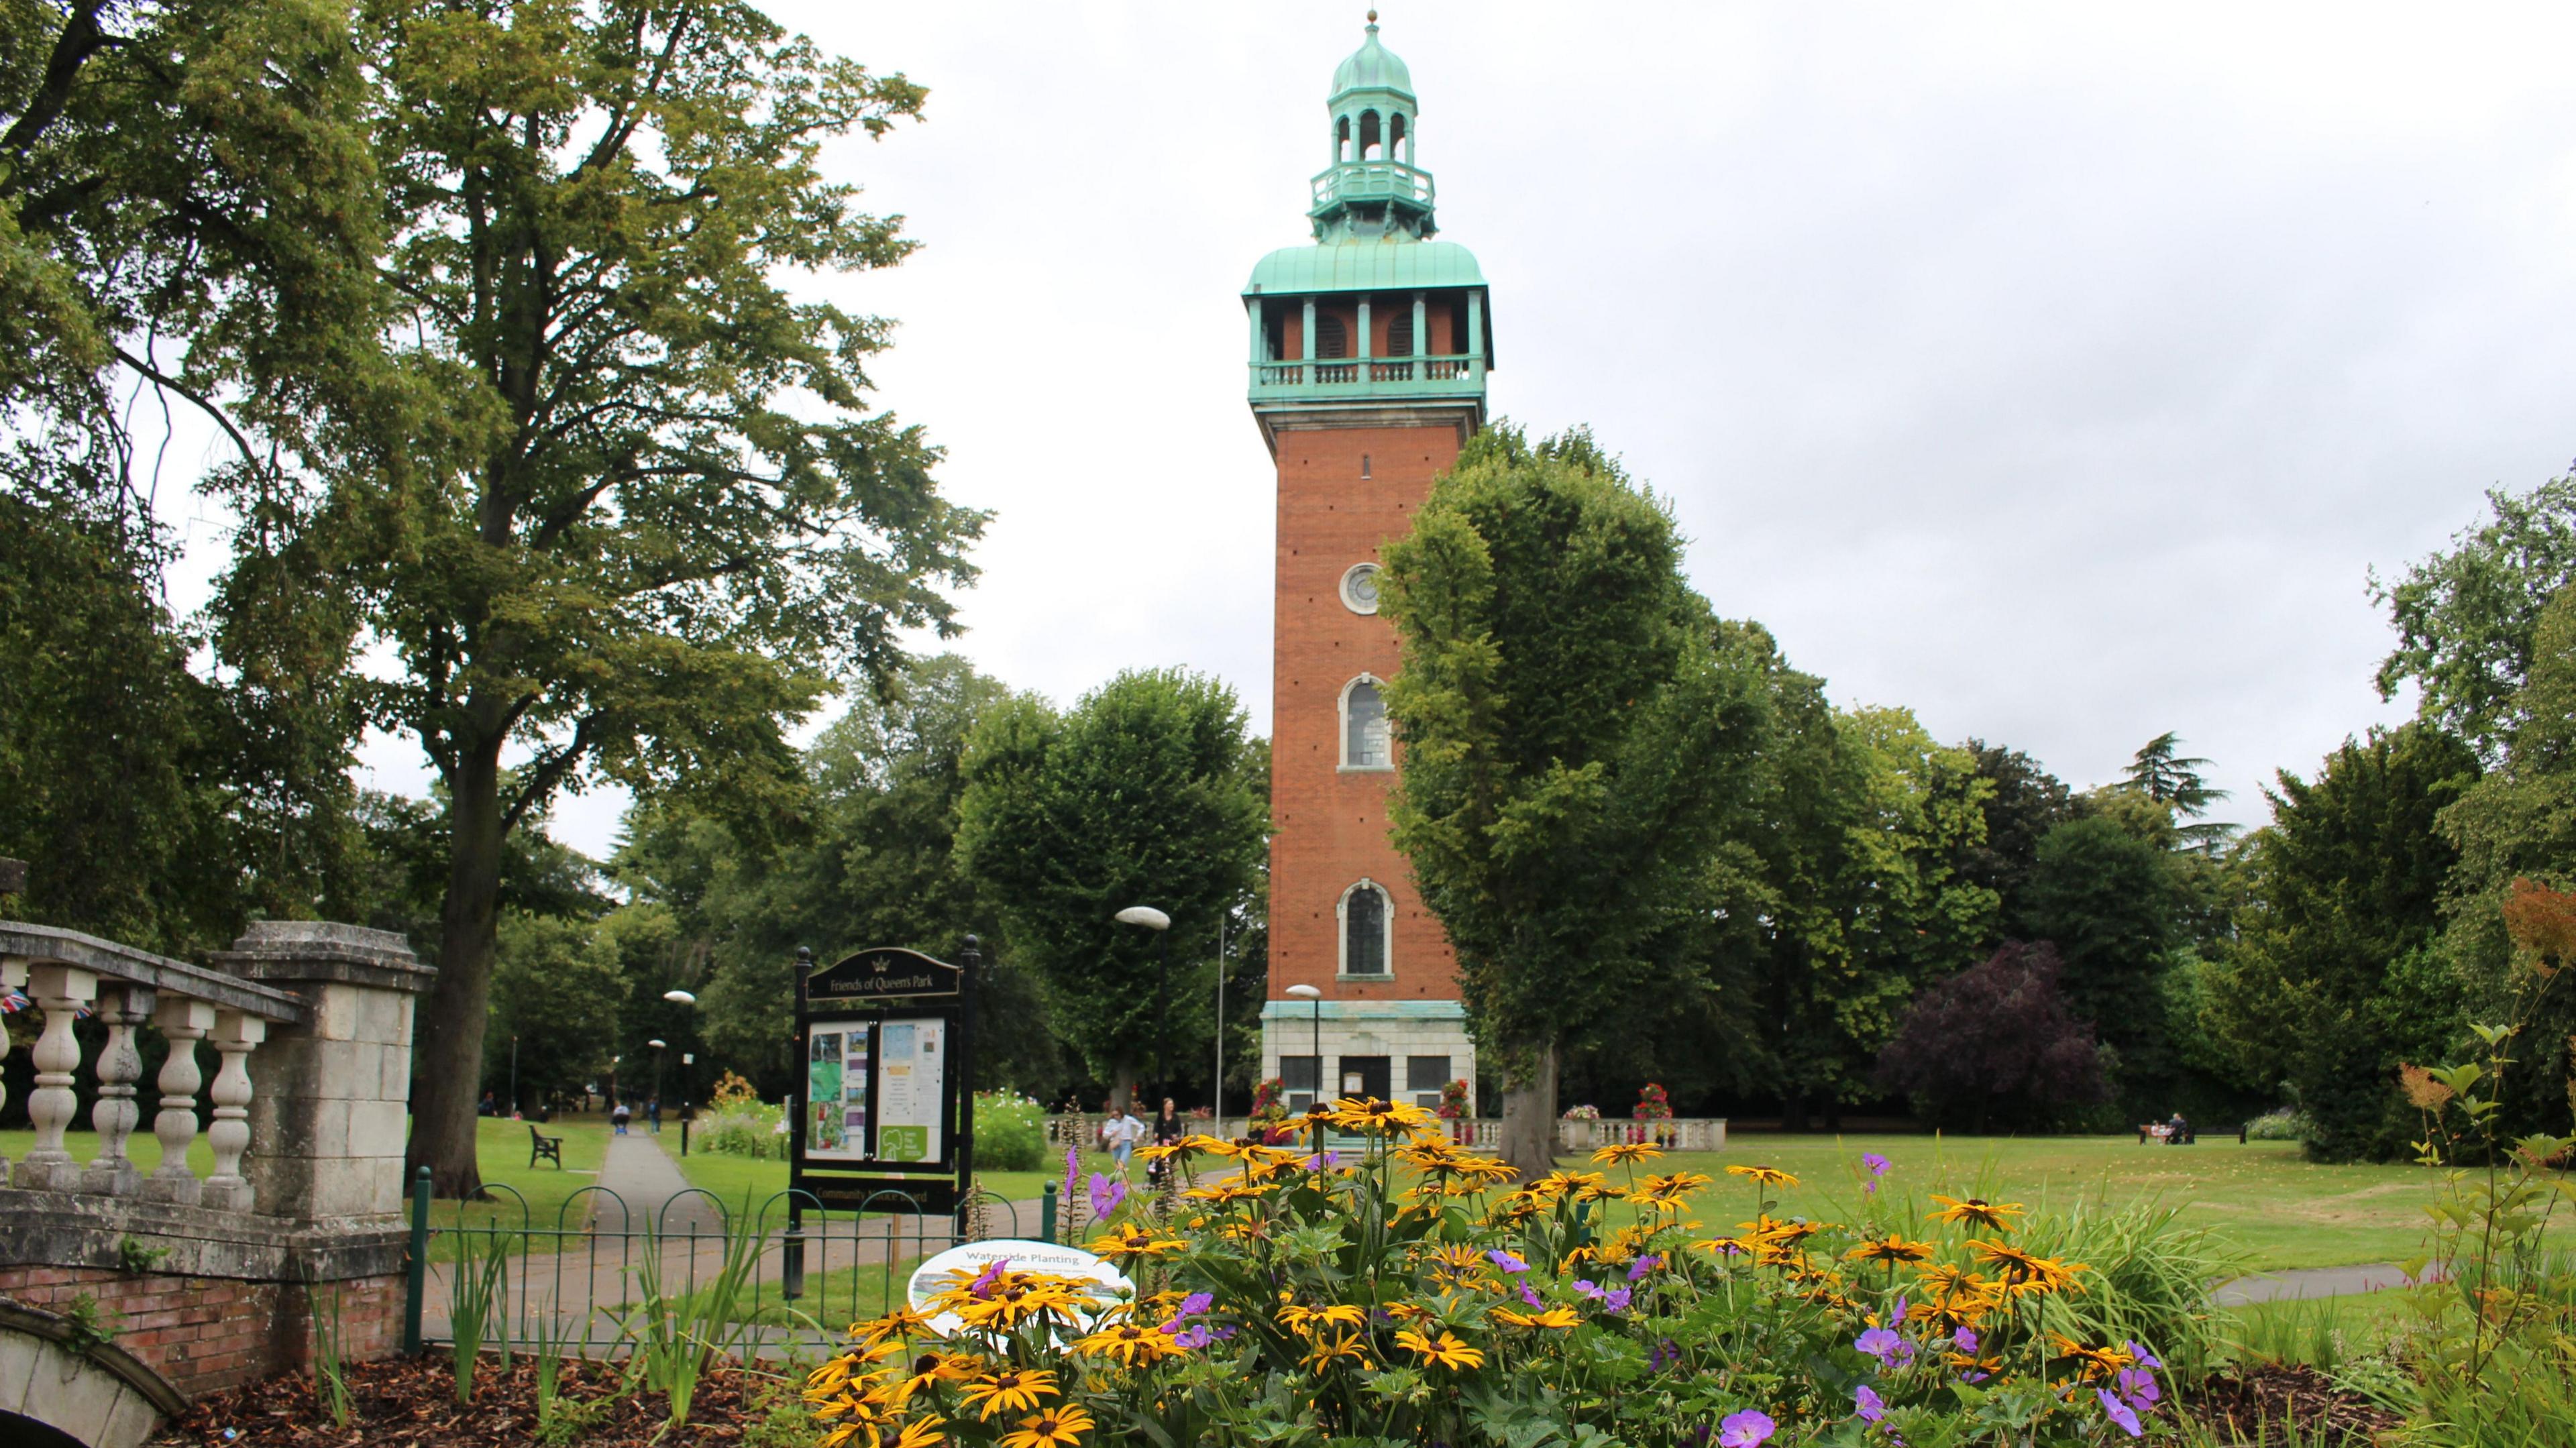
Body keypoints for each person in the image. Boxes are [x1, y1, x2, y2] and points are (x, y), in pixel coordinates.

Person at [1147, 1097, 1184, 1185]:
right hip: (1160, 1141)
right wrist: (1156, 1134)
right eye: (1170, 1104)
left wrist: (1176, 1136)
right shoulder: (1160, 1117)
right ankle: (1153, 1171)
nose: (1172, 1106)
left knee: (1168, 1154)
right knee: (1155, 1151)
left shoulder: (1175, 1118)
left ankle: (1168, 1172)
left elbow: (1179, 1130)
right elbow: (1155, 1130)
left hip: (1171, 1142)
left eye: (1172, 1104)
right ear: (1165, 1106)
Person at [1105, 1102, 1146, 1177]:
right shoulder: (1112, 1122)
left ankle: (1119, 1182)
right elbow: (1105, 1134)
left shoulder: (1127, 1119)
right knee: (1117, 1166)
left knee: (1122, 1165)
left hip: (1126, 1144)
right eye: (1114, 1115)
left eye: (1117, 1115)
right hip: (1116, 1145)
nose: (1116, 1117)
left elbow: (1141, 1126)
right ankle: (1119, 1183)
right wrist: (1112, 1134)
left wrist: (1137, 1137)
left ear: (1121, 1113)